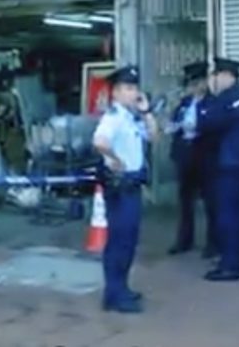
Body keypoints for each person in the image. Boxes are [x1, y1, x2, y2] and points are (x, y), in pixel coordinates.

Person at [92, 65, 158, 314]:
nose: (134, 92)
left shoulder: (130, 117)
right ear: (117, 92)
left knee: (128, 241)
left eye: (135, 88)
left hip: (132, 186)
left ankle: (120, 289)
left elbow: (154, 138)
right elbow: (99, 141)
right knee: (120, 242)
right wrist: (114, 159)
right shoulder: (114, 116)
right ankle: (115, 294)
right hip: (120, 187)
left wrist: (147, 112)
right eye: (128, 88)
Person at [197, 57, 239, 282]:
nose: (213, 81)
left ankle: (229, 265)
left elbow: (206, 124)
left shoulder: (227, 100)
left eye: (215, 76)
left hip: (229, 163)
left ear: (226, 76)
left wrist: (205, 102)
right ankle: (235, 258)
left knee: (227, 213)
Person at [167, 61, 219, 258]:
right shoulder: (185, 103)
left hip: (204, 157)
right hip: (185, 156)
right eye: (191, 84)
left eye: (198, 82)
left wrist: (197, 127)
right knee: (185, 202)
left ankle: (213, 243)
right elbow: (175, 122)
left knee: (210, 202)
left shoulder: (213, 102)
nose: (194, 87)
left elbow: (214, 127)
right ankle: (184, 240)